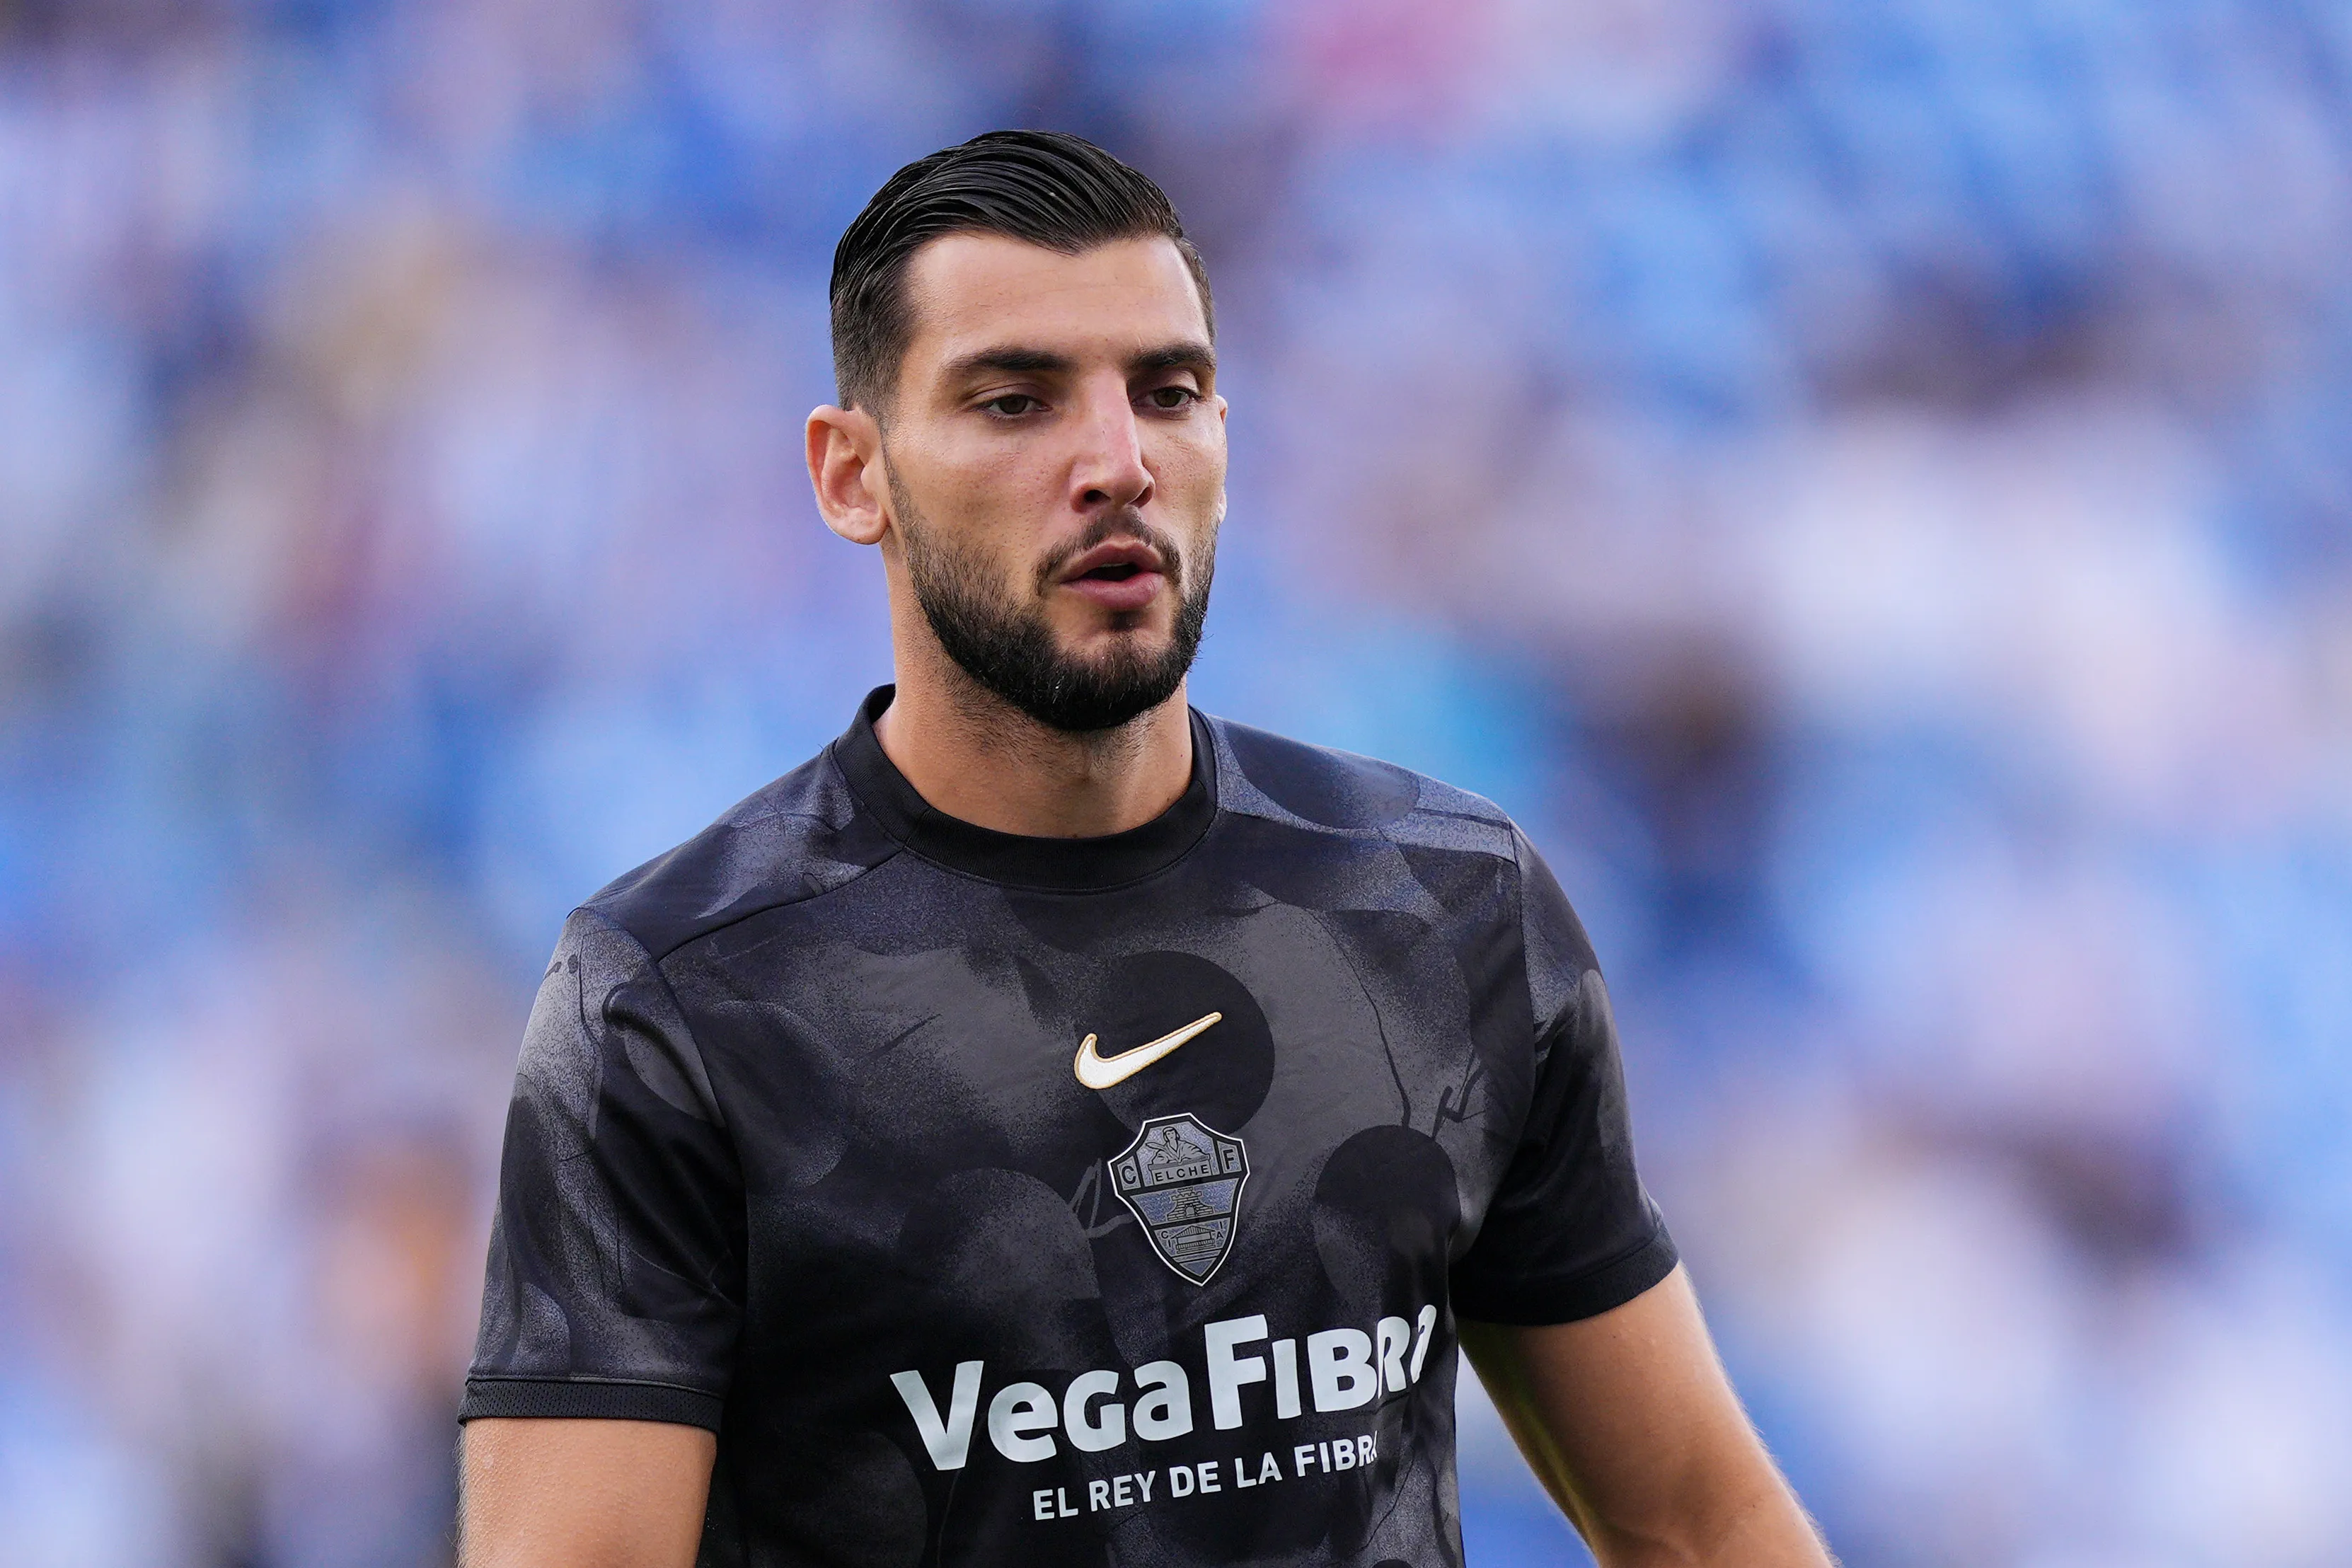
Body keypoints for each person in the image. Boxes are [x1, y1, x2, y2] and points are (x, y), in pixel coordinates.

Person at [456, 129, 1834, 1568]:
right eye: (1015, 400)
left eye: (1166, 393)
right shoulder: (675, 999)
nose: (1115, 462)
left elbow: (1697, 1522)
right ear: (852, 474)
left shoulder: (1441, 904)